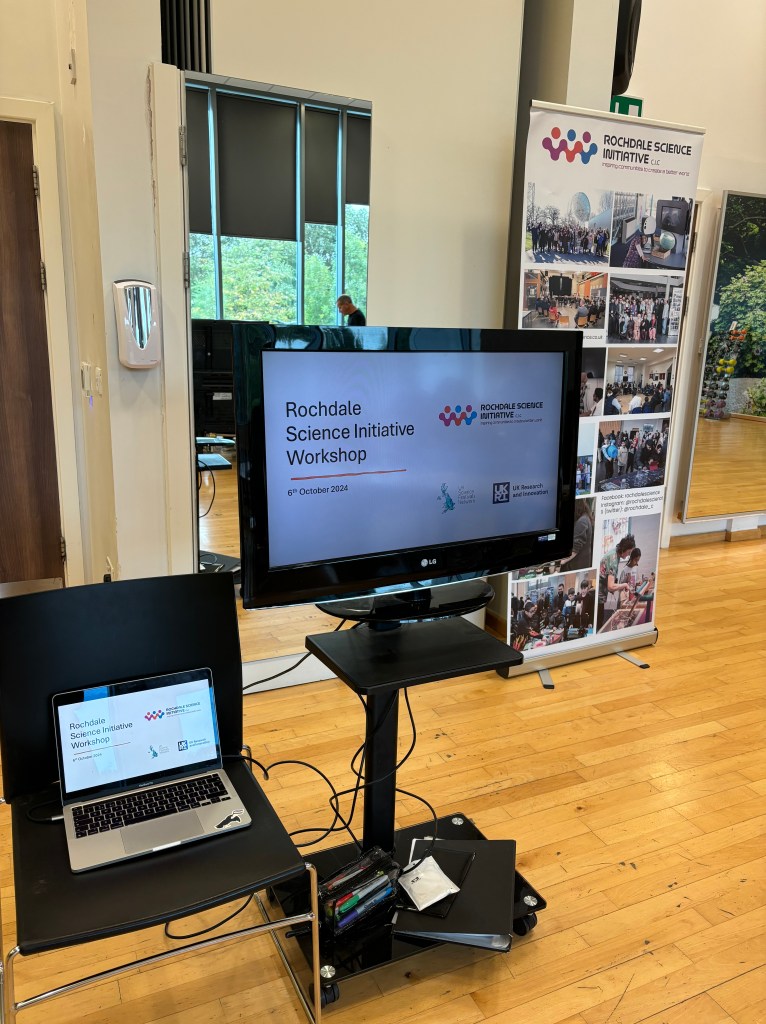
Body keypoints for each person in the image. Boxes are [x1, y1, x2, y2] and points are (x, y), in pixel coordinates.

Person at [598, 533, 635, 630]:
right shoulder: (613, 559)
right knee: (599, 623)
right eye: (629, 552)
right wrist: (624, 585)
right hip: (598, 596)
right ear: (624, 549)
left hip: (600, 593)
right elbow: (610, 586)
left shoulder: (615, 554)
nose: (628, 555)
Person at [560, 498, 594, 571]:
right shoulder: (585, 517)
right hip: (581, 563)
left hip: (576, 565)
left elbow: (574, 550)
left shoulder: (582, 521)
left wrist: (560, 562)